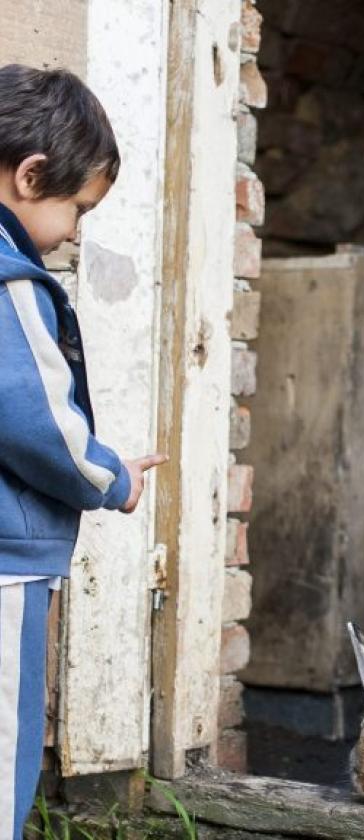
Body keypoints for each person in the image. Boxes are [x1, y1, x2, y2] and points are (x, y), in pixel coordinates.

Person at [0, 64, 165, 840]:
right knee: (3, 749)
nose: (74, 231)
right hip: (6, 564)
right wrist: (112, 477)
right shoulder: (11, 286)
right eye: (78, 209)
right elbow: (38, 423)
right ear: (31, 176)